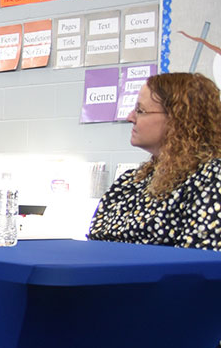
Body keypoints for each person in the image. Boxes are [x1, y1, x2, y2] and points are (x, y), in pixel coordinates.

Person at [89, 72, 221, 251]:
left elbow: (200, 263)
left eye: (140, 111)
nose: (130, 117)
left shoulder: (211, 178)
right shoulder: (130, 181)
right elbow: (94, 244)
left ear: (177, 120)